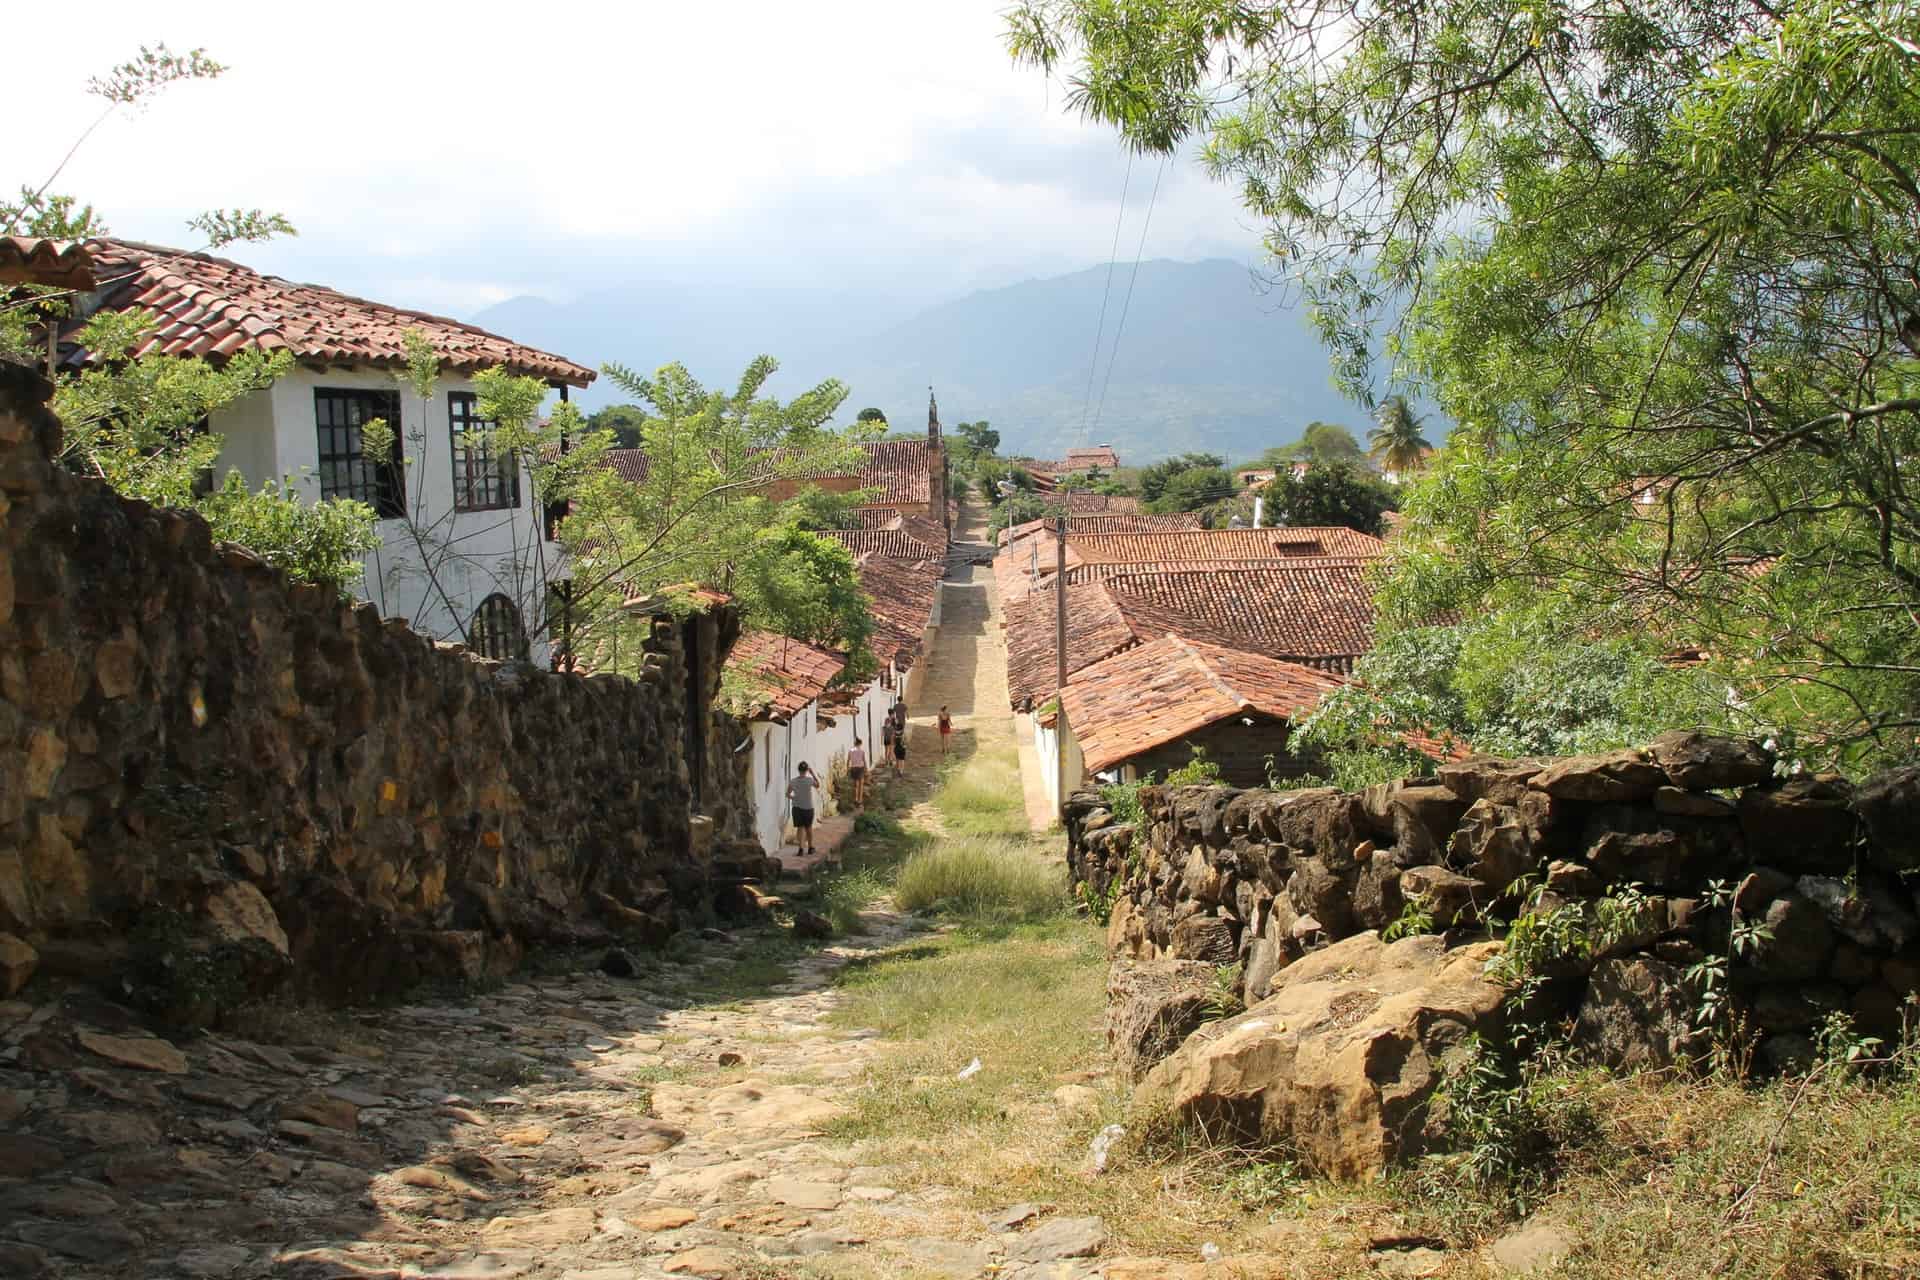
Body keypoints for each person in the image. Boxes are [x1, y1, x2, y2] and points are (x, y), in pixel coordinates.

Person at [786, 762, 819, 854]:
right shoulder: (809, 780)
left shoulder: (793, 781)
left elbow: (787, 794)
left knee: (800, 828)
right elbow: (818, 785)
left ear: (798, 770)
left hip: (797, 808)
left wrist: (794, 798)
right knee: (808, 828)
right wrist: (812, 773)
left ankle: (800, 849)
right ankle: (810, 847)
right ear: (806, 770)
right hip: (808, 808)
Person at [848, 738, 868, 809]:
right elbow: (864, 761)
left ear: (855, 743)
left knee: (855, 785)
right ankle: (860, 801)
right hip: (860, 768)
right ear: (860, 744)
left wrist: (848, 769)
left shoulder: (850, 751)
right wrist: (866, 769)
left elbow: (848, 761)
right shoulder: (862, 751)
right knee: (861, 785)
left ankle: (855, 799)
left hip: (853, 768)